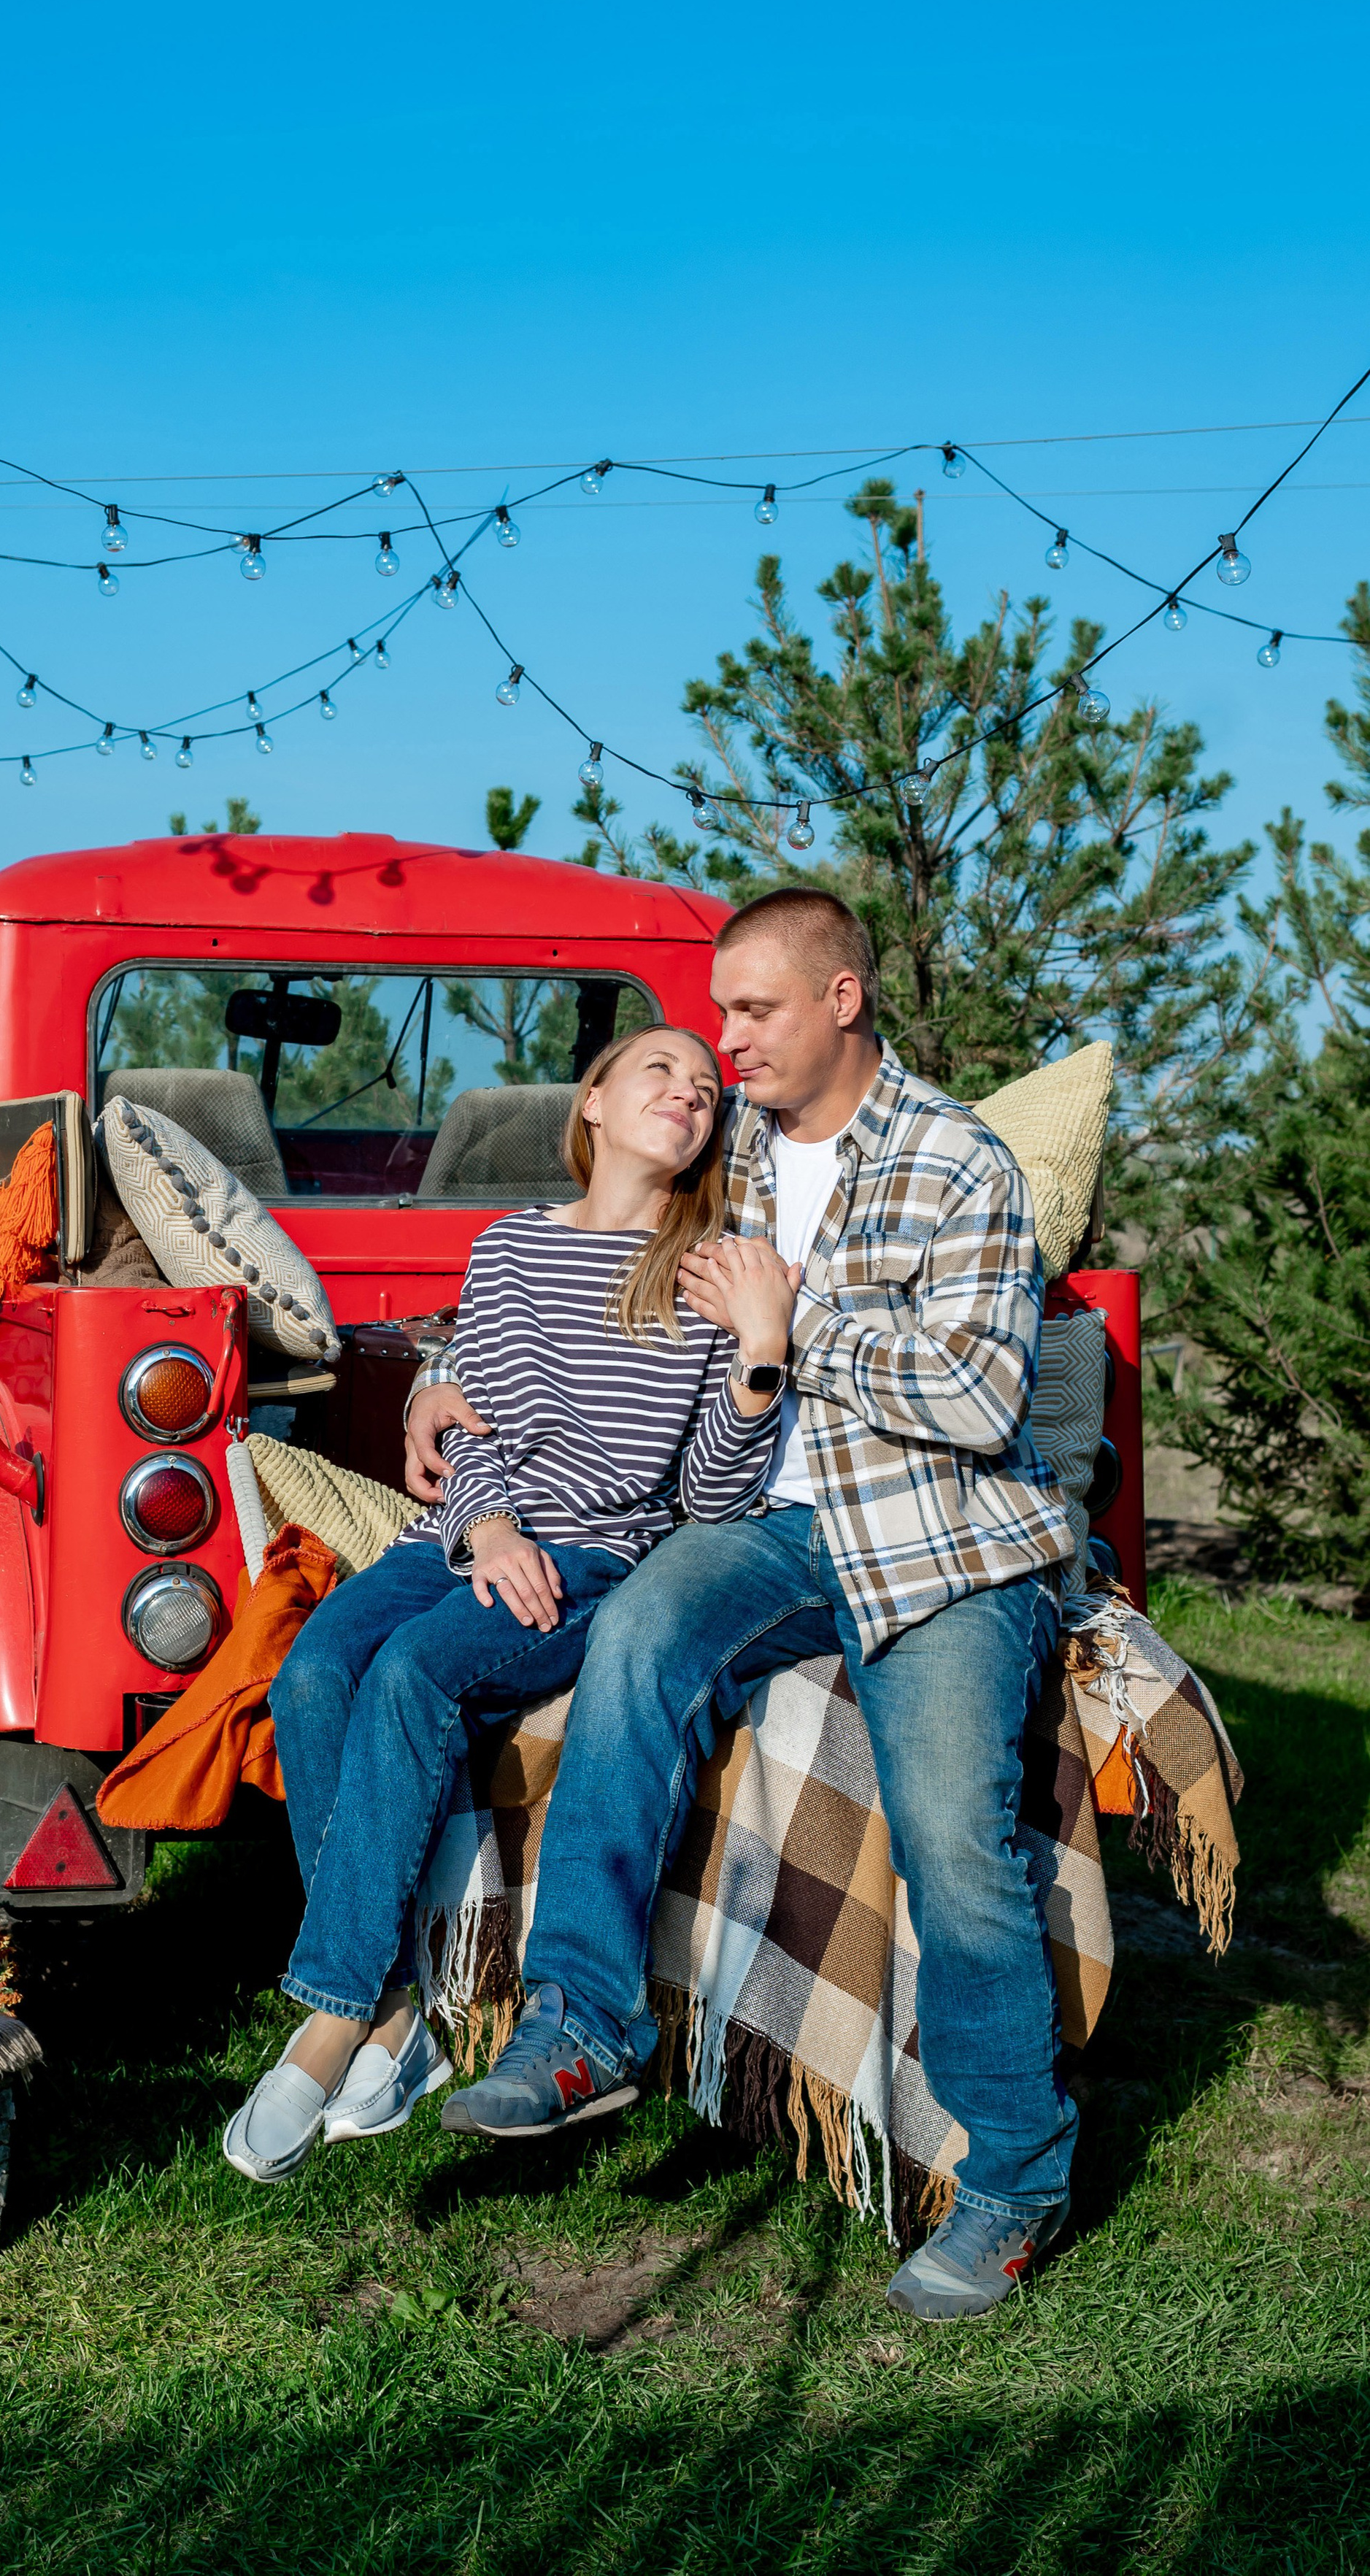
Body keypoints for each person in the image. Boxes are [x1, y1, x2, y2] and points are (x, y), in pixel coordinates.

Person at [406, 890, 1077, 2323]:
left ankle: (1018, 2178)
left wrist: (794, 1330)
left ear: (841, 998)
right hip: (769, 1531)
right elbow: (565, 1269)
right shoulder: (733, 1155)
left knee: (953, 1832)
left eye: (753, 1010)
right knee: (641, 1636)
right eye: (718, 1014)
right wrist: (436, 1380)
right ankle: (580, 2026)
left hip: (937, 1539)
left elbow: (982, 1398)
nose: (726, 1041)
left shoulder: (958, 1159)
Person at [223, 1024, 795, 2185]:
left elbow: (706, 1497)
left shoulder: (706, 1271)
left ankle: (333, 2017)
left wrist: (759, 1355)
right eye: (660, 1070)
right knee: (311, 1674)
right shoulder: (512, 1245)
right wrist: (484, 1528)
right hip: (465, 1534)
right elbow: (464, 1415)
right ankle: (398, 2012)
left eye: (706, 1087)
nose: (689, 1092)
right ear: (593, 1103)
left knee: (413, 1675)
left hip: (591, 1558)